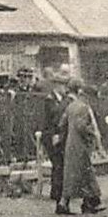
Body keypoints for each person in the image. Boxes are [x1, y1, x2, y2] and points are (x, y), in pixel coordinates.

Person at [57, 80, 104, 215]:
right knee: (83, 174)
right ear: (88, 96)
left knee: (75, 176)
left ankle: (81, 202)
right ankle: (80, 203)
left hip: (70, 145)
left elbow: (62, 124)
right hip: (81, 146)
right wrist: (92, 133)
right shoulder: (83, 107)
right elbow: (81, 126)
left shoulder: (71, 106)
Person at [41, 69, 70, 205]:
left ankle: (58, 190)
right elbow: (53, 117)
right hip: (51, 135)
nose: (64, 88)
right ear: (57, 86)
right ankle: (56, 192)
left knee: (60, 164)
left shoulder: (62, 99)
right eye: (63, 85)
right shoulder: (50, 99)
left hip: (59, 135)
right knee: (57, 163)